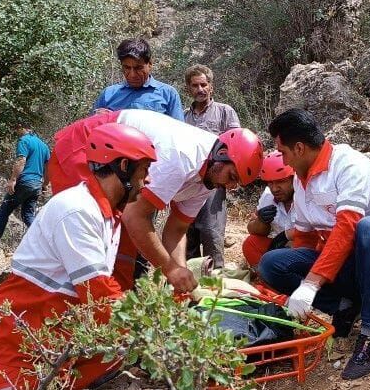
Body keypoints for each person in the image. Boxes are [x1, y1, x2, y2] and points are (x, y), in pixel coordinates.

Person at [0, 124, 156, 390]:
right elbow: (100, 296)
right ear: (123, 167)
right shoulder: (77, 210)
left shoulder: (106, 215)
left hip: (53, 335)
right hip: (15, 343)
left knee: (123, 345)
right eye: (144, 171)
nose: (147, 181)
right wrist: (155, 330)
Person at [258, 109, 370, 380]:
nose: (283, 160)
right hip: (348, 271)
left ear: (300, 148)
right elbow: (305, 239)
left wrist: (311, 284)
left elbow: (347, 227)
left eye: (283, 153)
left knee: (369, 227)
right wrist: (297, 295)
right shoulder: (300, 181)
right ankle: (344, 306)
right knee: (271, 264)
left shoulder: (351, 165)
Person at [46, 109, 264, 293]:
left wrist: (180, 274)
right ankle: (77, 306)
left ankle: (115, 302)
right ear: (222, 154)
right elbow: (135, 217)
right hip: (87, 147)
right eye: (232, 177)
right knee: (94, 229)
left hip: (116, 156)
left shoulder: (210, 177)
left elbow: (177, 229)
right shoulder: (181, 157)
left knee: (124, 242)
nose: (230, 187)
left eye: (237, 184)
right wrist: (170, 269)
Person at [182, 64, 242, 268]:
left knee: (211, 234)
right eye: (194, 85)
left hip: (213, 184)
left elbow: (237, 146)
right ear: (188, 89)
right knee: (188, 237)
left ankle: (215, 289)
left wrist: (233, 177)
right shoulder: (182, 116)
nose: (199, 89)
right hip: (187, 184)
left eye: (203, 84)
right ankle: (190, 290)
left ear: (211, 87)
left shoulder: (225, 112)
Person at [0, 124, 50, 251]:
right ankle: (45, 242)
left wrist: (13, 179)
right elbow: (49, 168)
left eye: (17, 127)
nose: (16, 130)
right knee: (28, 215)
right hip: (36, 184)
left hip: (24, 181)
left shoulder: (24, 141)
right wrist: (45, 184)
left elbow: (21, 161)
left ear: (25, 127)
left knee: (4, 211)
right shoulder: (43, 145)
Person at [92, 38, 183, 119]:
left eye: (138, 68)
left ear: (150, 64)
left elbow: (178, 132)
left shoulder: (168, 94)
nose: (132, 75)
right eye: (127, 68)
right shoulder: (108, 95)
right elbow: (92, 130)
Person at [243, 151, 295, 268]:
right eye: (270, 182)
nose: (275, 188)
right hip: (277, 249)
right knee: (251, 243)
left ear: (293, 178)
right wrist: (261, 221)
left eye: (281, 181)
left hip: (302, 248)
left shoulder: (306, 196)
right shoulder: (268, 196)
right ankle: (265, 279)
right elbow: (252, 229)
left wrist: (287, 239)